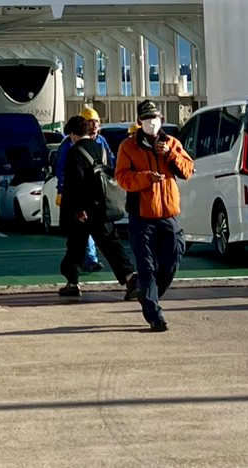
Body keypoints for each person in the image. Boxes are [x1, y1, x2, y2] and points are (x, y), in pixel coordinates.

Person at [115, 99, 193, 331]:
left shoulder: (171, 143)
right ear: (139, 122)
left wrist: (170, 155)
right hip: (141, 217)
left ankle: (147, 293)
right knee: (146, 266)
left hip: (168, 215)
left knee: (172, 259)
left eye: (155, 118)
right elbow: (122, 177)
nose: (152, 122)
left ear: (162, 119)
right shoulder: (128, 147)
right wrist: (146, 177)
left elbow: (187, 170)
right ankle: (154, 315)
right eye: (147, 119)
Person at [57, 116, 137, 301]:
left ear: (73, 134)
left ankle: (72, 283)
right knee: (111, 244)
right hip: (102, 205)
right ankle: (130, 278)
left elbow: (74, 182)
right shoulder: (100, 148)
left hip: (82, 210)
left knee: (76, 246)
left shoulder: (74, 152)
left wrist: (77, 208)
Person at [55, 106, 113, 271]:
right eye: (90, 122)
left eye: (96, 122)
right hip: (85, 199)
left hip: (96, 198)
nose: (94, 126)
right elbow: (64, 171)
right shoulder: (69, 147)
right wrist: (61, 190)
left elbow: (110, 164)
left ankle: (75, 272)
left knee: (89, 237)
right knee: (83, 236)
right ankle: (88, 263)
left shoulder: (101, 142)